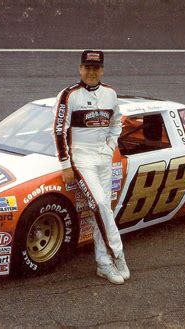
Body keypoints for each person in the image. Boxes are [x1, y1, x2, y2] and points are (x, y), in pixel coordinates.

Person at [52, 50, 130, 284]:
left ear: (102, 70)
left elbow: (117, 122)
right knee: (100, 204)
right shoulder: (68, 95)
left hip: (103, 157)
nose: (91, 72)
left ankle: (104, 264)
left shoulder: (111, 93)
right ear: (80, 69)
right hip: (81, 158)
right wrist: (66, 164)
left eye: (96, 68)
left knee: (103, 210)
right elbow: (58, 131)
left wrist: (110, 145)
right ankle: (118, 254)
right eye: (87, 67)